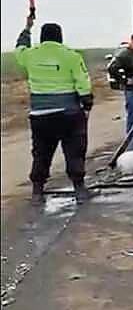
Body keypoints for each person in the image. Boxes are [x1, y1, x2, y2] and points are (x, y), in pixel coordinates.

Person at [14, 19, 94, 204]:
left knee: (41, 152)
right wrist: (86, 103)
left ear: (42, 38)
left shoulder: (30, 55)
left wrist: (27, 28)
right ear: (60, 37)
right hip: (69, 114)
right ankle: (79, 189)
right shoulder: (71, 56)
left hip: (40, 116)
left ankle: (37, 192)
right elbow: (82, 82)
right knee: (74, 150)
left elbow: (19, 48)